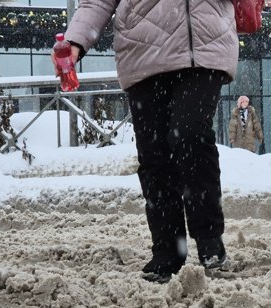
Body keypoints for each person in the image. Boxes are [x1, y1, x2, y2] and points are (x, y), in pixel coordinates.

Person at [57, 0, 238, 283]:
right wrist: (76, 40)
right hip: (143, 49)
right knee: (155, 155)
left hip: (203, 44)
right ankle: (168, 250)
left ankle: (208, 238)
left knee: (191, 136)